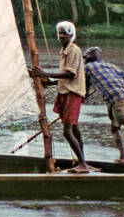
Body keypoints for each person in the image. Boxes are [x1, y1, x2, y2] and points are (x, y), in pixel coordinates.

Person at [28, 21, 96, 173]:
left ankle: (83, 164)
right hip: (66, 92)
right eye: (59, 33)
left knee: (67, 131)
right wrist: (50, 82)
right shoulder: (64, 50)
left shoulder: (73, 50)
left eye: (65, 33)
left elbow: (70, 74)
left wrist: (46, 73)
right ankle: (82, 161)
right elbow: (65, 77)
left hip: (72, 94)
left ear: (71, 34)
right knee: (75, 129)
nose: (61, 36)